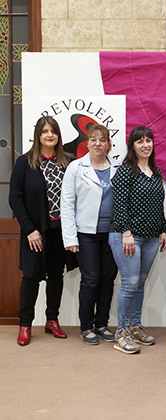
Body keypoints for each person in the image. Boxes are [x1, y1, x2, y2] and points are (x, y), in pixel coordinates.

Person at [9, 116, 76, 346]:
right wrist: (30, 229)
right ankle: (25, 324)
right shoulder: (25, 163)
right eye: (45, 131)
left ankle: (52, 320)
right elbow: (15, 199)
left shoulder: (69, 162)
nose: (50, 135)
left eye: (53, 131)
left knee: (56, 276)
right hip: (35, 232)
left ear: (58, 136)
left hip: (60, 231)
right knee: (31, 277)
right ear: (38, 135)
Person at [109, 126, 166, 354]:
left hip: (152, 237)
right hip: (127, 237)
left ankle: (134, 326)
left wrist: (163, 229)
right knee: (130, 282)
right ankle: (121, 333)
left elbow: (158, 205)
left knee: (140, 283)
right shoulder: (125, 171)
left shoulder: (156, 172)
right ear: (132, 146)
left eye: (148, 140)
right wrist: (126, 233)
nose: (145, 145)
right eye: (140, 141)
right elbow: (119, 205)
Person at [61, 124, 121, 345]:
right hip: (85, 234)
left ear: (108, 144)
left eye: (102, 140)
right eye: (94, 139)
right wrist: (70, 238)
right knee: (91, 279)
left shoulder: (118, 167)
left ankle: (102, 323)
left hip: (112, 234)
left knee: (108, 279)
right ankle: (86, 326)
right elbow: (66, 204)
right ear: (87, 143)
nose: (98, 143)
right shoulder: (76, 168)